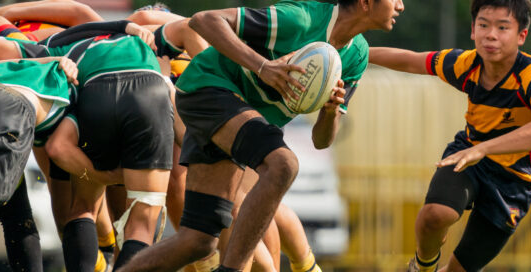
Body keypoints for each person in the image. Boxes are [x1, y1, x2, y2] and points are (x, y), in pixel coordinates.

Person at [119, 0, 404, 271]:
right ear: (366, 2)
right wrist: (263, 66)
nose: (401, 6)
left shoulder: (357, 56)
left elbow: (321, 141)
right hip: (208, 90)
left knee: (197, 242)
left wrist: (330, 111)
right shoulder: (301, 19)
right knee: (283, 165)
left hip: (234, 113)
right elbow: (204, 20)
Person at [368, 0, 531, 270]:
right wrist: (356, 51)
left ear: (521, 36)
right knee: (434, 215)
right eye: (483, 25)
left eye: (502, 27)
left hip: (514, 181)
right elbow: (411, 60)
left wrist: (483, 149)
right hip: (468, 156)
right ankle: (422, 267)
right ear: (472, 30)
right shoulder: (465, 63)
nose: (490, 34)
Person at [0, 56, 78, 272]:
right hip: (8, 109)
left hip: (3, 105)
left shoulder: (16, 61)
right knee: (17, 220)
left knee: (17, 218)